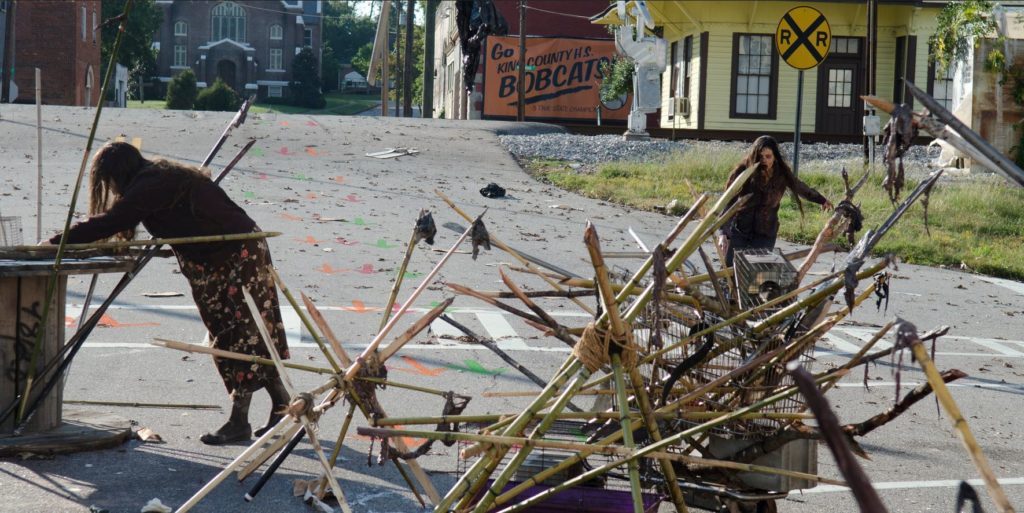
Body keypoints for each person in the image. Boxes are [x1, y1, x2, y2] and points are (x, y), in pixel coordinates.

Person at [45, 142, 290, 445]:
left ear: (119, 173)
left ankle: (240, 421)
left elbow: (114, 221)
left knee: (239, 334)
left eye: (109, 181)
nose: (111, 188)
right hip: (221, 255)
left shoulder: (153, 182)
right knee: (243, 332)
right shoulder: (154, 178)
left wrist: (58, 241)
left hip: (234, 255)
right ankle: (283, 405)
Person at [717, 135, 833, 266]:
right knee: (730, 269)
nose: (764, 160)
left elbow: (800, 187)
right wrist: (723, 234)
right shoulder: (743, 171)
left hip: (765, 232)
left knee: (757, 271)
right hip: (741, 229)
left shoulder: (781, 174)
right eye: (760, 157)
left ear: (775, 156)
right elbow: (728, 202)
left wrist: (821, 200)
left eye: (768, 156)